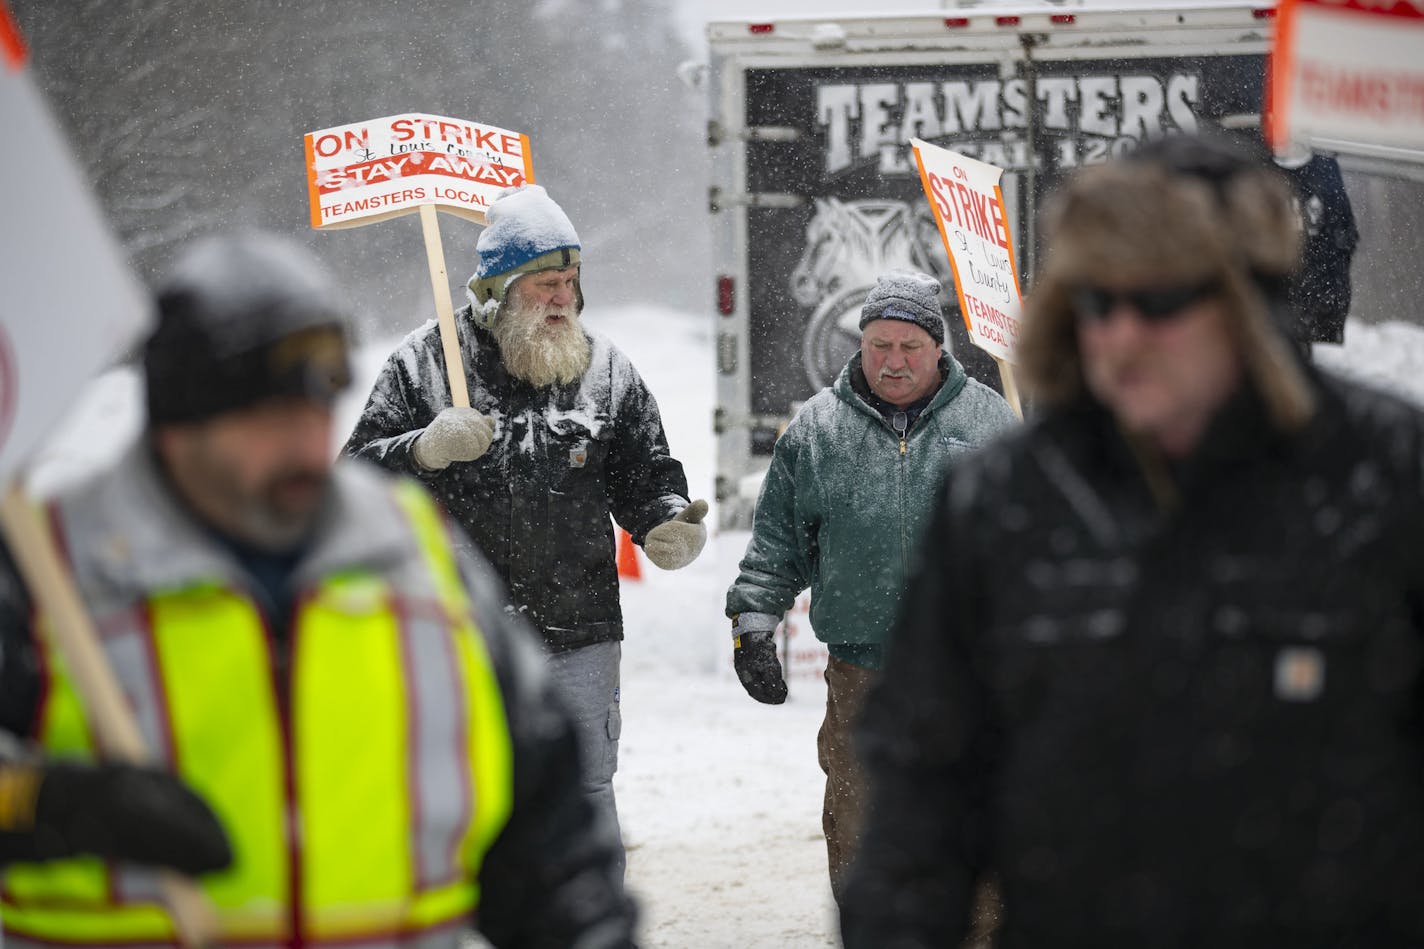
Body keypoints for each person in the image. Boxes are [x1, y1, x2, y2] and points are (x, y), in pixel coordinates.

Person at [841, 133, 1424, 948]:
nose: (1119, 334)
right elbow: (922, 801)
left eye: (1157, 300)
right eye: (1095, 302)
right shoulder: (1007, 500)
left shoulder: (1385, 474)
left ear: (1247, 303)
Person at [0, 231, 636, 948]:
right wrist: (43, 805)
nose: (306, 443)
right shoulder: (52, 570)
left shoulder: (415, 563)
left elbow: (550, 842)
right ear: (178, 423)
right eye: (270, 415)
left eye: (320, 402)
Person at [344, 184, 707, 878]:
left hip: (581, 635)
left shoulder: (606, 371)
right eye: (546, 283)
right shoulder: (424, 365)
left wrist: (665, 520)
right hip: (457, 635)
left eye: (570, 281)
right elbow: (349, 486)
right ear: (500, 291)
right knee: (463, 803)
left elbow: (647, 471)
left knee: (584, 794)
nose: (563, 296)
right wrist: (421, 448)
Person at [724, 270, 1018, 904]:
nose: (892, 361)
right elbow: (777, 545)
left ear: (939, 348)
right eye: (878, 345)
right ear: (858, 345)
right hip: (863, 678)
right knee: (861, 840)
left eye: (909, 346)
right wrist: (752, 622)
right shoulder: (817, 432)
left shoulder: (993, 423)